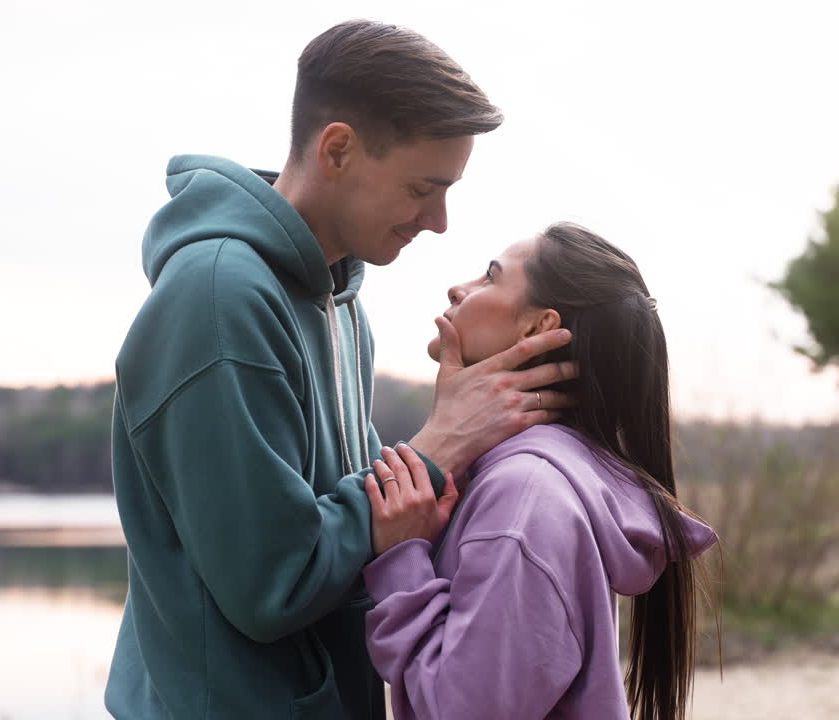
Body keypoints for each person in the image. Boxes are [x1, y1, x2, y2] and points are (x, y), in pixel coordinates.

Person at [105, 21, 575, 720]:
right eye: (424, 186)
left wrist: (452, 472)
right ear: (338, 149)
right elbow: (272, 583)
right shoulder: (218, 300)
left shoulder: (340, 302)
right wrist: (435, 449)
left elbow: (332, 516)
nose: (441, 220)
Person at [359, 223, 718, 720]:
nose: (458, 289)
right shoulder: (536, 477)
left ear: (537, 327)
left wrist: (402, 557)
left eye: (489, 276)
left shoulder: (524, 495)